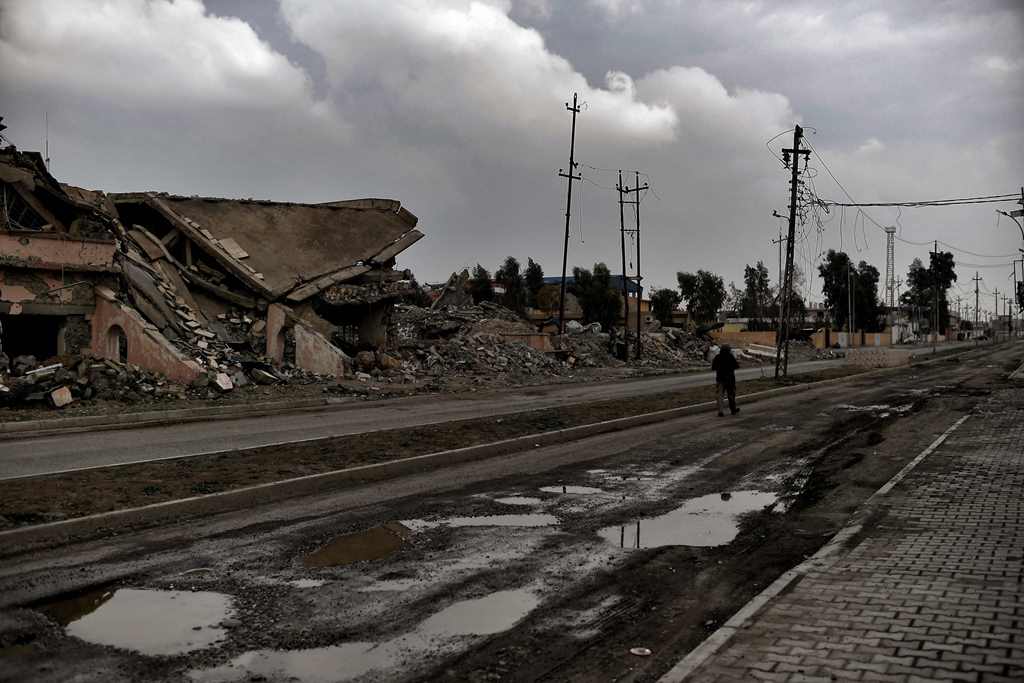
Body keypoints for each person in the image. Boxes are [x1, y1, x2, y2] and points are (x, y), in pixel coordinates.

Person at [711, 343, 739, 417]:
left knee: (720, 396)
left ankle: (720, 411)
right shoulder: (730, 357)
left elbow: (713, 367)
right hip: (730, 379)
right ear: (728, 350)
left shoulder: (717, 357)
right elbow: (736, 366)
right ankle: (733, 410)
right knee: (731, 395)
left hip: (720, 379)